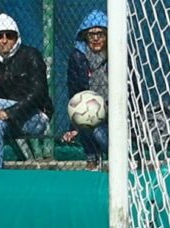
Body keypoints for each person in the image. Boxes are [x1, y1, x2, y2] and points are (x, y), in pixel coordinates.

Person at [0, 13, 54, 169]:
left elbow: (38, 94)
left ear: (16, 38)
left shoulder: (31, 56)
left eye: (9, 35)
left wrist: (7, 113)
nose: (4, 40)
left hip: (34, 116)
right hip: (2, 118)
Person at [63, 10, 109, 171]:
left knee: (101, 135)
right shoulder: (78, 57)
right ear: (84, 37)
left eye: (100, 34)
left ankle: (120, 159)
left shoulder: (117, 54)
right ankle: (92, 159)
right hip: (90, 110)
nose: (96, 39)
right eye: (91, 35)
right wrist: (73, 126)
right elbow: (74, 93)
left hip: (114, 110)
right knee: (86, 121)